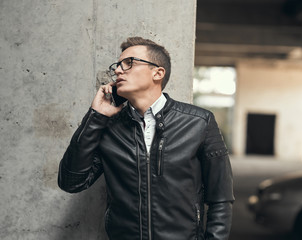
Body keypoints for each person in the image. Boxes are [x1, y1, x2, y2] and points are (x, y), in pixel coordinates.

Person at [58, 36, 234, 240]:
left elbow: (220, 198)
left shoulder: (199, 122)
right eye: (117, 65)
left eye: (129, 63)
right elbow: (71, 182)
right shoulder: (109, 129)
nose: (117, 70)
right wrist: (96, 117)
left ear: (158, 73)